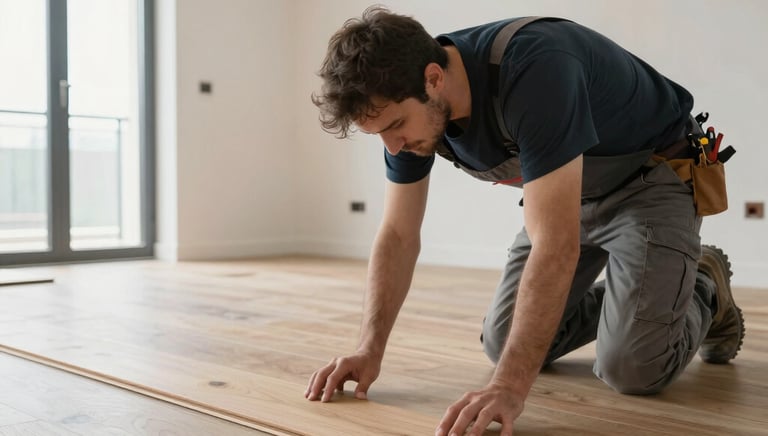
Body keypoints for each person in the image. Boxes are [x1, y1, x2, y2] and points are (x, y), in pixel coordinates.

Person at [304, 7, 745, 436]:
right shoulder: (411, 114)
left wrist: (508, 388)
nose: (393, 147)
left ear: (433, 79)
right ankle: (637, 301)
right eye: (379, 134)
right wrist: (368, 349)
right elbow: (399, 234)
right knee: (502, 343)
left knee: (632, 367)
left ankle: (703, 284)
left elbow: (555, 245)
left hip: (651, 180)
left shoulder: (534, 68)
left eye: (396, 125)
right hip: (569, 195)